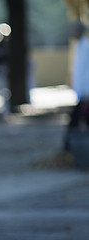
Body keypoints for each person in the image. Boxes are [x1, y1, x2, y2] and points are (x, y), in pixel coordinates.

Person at [66, 22, 89, 151]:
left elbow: (86, 71)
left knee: (75, 120)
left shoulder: (86, 46)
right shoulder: (78, 45)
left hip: (86, 91)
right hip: (81, 91)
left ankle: (69, 148)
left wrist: (86, 91)